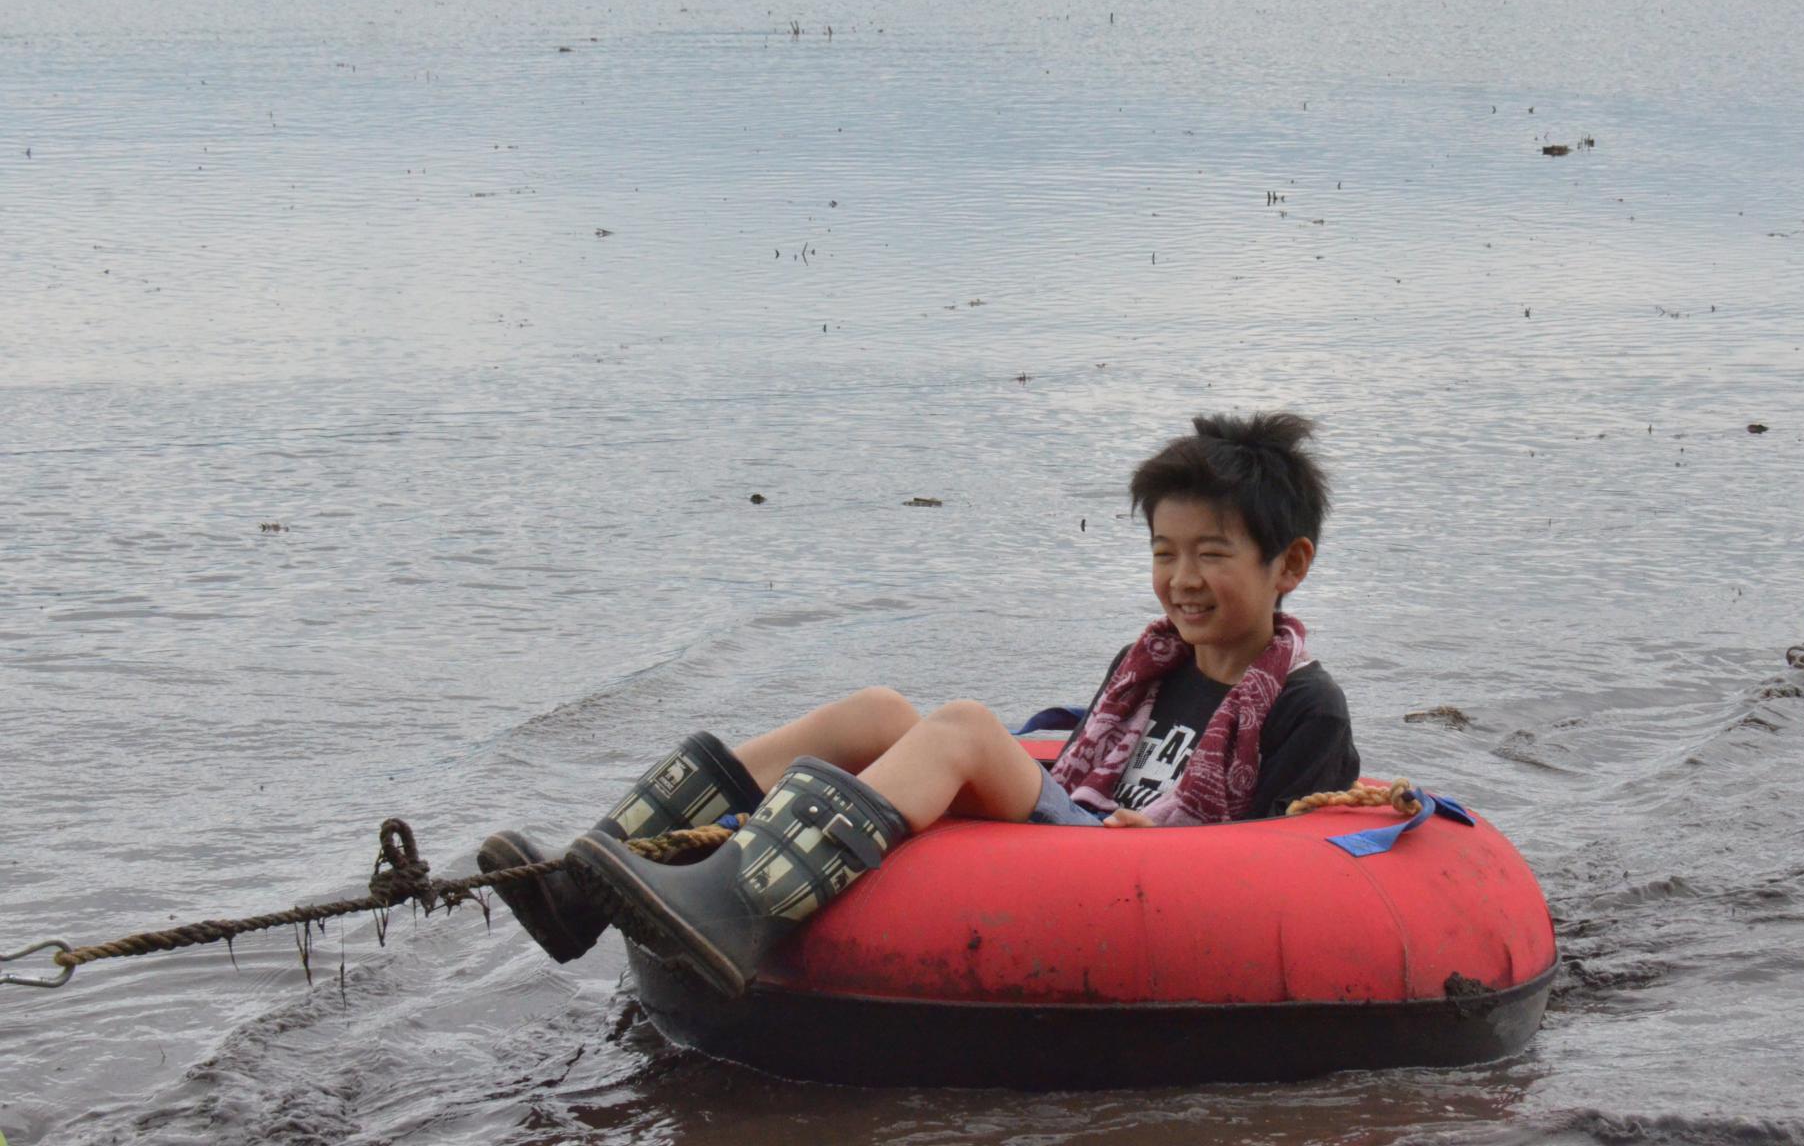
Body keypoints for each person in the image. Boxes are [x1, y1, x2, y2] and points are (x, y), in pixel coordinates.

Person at [478, 412, 1360, 999]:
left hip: (1140, 878)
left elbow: (1291, 870)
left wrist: (1175, 852)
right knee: (877, 709)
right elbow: (1087, 758)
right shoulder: (1150, 666)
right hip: (1086, 836)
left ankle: (735, 908)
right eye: (1165, 551)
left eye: (1212, 553)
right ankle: (580, 890)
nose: (1183, 580)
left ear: (1289, 565)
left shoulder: (1303, 707)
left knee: (967, 727)